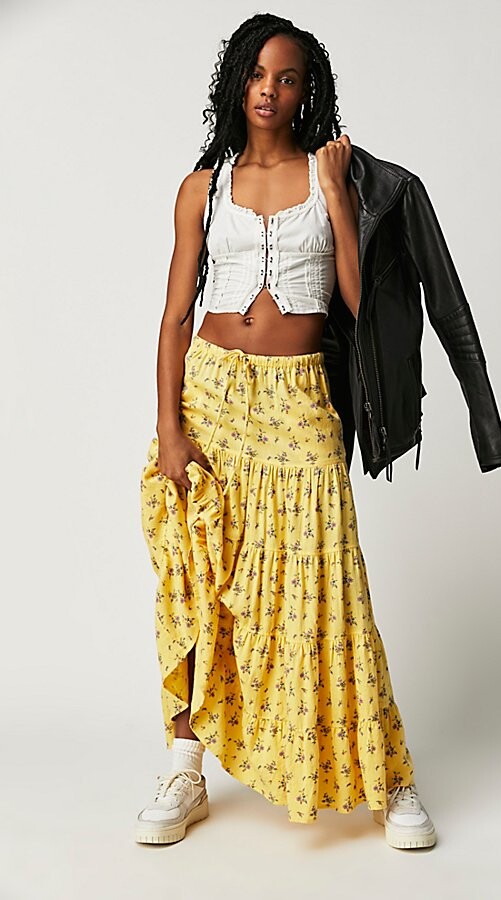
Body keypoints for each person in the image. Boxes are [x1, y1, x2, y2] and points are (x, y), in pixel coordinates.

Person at [135, 12, 436, 851]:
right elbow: (174, 317)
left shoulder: (330, 175)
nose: (270, 90)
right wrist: (168, 427)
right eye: (258, 74)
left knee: (329, 579)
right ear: (238, 82)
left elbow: (358, 304)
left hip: (298, 396)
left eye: (288, 77)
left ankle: (387, 775)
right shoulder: (202, 188)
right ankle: (186, 767)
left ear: (308, 92)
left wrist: (336, 196)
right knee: (201, 579)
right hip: (212, 394)